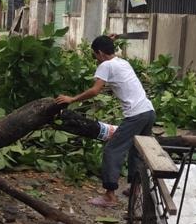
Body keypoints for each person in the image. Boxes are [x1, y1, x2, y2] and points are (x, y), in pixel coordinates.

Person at [56, 35, 156, 208]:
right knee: (136, 149)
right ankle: (135, 187)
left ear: (100, 53)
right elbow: (104, 64)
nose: (96, 59)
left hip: (136, 115)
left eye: (95, 55)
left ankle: (109, 196)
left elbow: (95, 91)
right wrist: (104, 45)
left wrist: (72, 99)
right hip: (149, 112)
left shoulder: (105, 65)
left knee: (112, 149)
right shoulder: (122, 62)